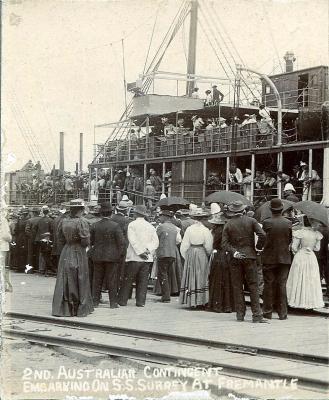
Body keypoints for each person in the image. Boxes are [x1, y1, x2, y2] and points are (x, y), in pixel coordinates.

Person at [222, 201, 266, 322]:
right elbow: (262, 234)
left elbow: (224, 243)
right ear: (244, 210)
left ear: (232, 211)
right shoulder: (251, 221)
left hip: (235, 258)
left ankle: (240, 315)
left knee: (237, 286)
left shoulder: (228, 224)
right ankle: (256, 315)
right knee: (253, 286)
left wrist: (234, 252)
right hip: (250, 256)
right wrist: (258, 247)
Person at [52, 199, 94, 317]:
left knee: (65, 277)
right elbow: (85, 240)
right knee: (80, 277)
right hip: (78, 250)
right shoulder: (81, 222)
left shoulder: (63, 221)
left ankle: (65, 308)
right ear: (80, 210)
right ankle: (79, 308)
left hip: (66, 250)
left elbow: (60, 238)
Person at [119, 205, 159, 307]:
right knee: (143, 281)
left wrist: (140, 252)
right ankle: (140, 302)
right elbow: (155, 242)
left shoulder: (132, 225)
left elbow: (132, 240)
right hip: (146, 258)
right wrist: (147, 250)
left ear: (136, 214)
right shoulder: (150, 226)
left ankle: (123, 301)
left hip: (134, 257)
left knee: (128, 280)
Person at [261, 199, 292, 320]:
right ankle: (283, 313)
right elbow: (289, 239)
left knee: (268, 284)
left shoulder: (266, 222)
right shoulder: (288, 223)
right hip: (284, 257)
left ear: (271, 209)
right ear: (282, 209)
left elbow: (263, 239)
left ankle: (267, 311)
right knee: (282, 284)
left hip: (269, 257)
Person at [90, 202, 124, 308]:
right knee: (111, 280)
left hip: (97, 256)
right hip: (112, 257)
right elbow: (121, 243)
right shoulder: (115, 226)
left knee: (97, 279)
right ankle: (113, 303)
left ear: (100, 213)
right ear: (111, 213)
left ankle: (95, 302)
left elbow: (91, 242)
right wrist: (118, 256)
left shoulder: (94, 225)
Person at [286, 218, 324, 309]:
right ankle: (310, 301)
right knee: (310, 278)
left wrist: (297, 249)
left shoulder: (300, 233)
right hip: (311, 257)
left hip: (301, 256)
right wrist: (310, 248)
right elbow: (317, 248)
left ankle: (297, 300)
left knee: (299, 277)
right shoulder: (316, 234)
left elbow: (294, 248)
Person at [179, 208, 213, 308]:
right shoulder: (205, 230)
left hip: (191, 252)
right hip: (201, 252)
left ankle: (191, 301)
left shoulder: (189, 229)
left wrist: (186, 256)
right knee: (202, 275)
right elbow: (208, 246)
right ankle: (201, 301)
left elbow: (184, 245)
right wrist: (207, 254)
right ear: (202, 219)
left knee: (191, 275)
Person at [207, 212, 234, 313]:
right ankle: (228, 305)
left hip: (219, 255)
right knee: (227, 280)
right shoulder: (228, 230)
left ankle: (217, 304)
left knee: (217, 279)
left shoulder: (217, 232)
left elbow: (214, 245)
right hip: (228, 256)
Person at [155, 210, 182, 303]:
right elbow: (178, 240)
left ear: (165, 217)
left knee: (162, 274)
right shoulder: (174, 228)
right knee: (168, 273)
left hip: (163, 253)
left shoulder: (161, 227)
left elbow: (155, 239)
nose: (160, 218)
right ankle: (167, 294)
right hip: (172, 253)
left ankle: (166, 296)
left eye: (161, 216)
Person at [33, 206, 54, 274]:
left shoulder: (39, 220)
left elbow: (35, 229)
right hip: (47, 238)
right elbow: (52, 230)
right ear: (48, 212)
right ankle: (45, 269)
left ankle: (41, 268)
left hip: (40, 239)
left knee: (41, 254)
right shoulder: (51, 220)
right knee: (47, 254)